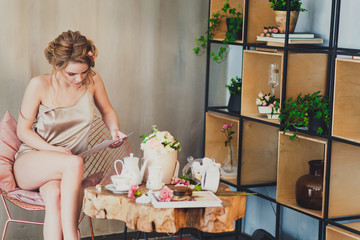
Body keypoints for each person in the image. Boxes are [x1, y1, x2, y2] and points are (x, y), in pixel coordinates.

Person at [13, 30, 127, 240]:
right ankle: (73, 235)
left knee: (56, 197)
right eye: (71, 74)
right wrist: (55, 151)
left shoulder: (92, 80)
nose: (79, 79)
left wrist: (114, 130)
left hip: (66, 171)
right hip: (32, 161)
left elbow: (108, 111)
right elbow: (23, 131)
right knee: (74, 163)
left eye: (83, 72)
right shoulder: (39, 85)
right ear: (57, 65)